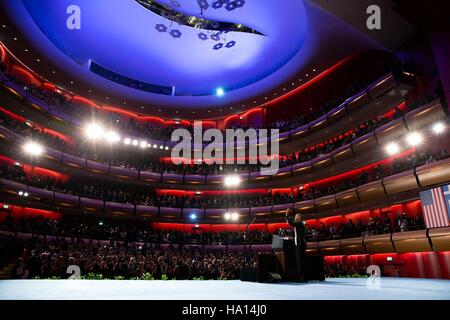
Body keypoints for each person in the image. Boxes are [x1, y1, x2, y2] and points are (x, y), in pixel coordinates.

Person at [285, 208, 307, 282]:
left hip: (300, 244)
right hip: (300, 243)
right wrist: (293, 238)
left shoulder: (299, 223)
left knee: (300, 261)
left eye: (297, 216)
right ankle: (302, 277)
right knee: (300, 261)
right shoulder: (300, 224)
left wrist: (287, 215)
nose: (295, 216)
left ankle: (301, 277)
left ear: (300, 217)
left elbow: (291, 223)